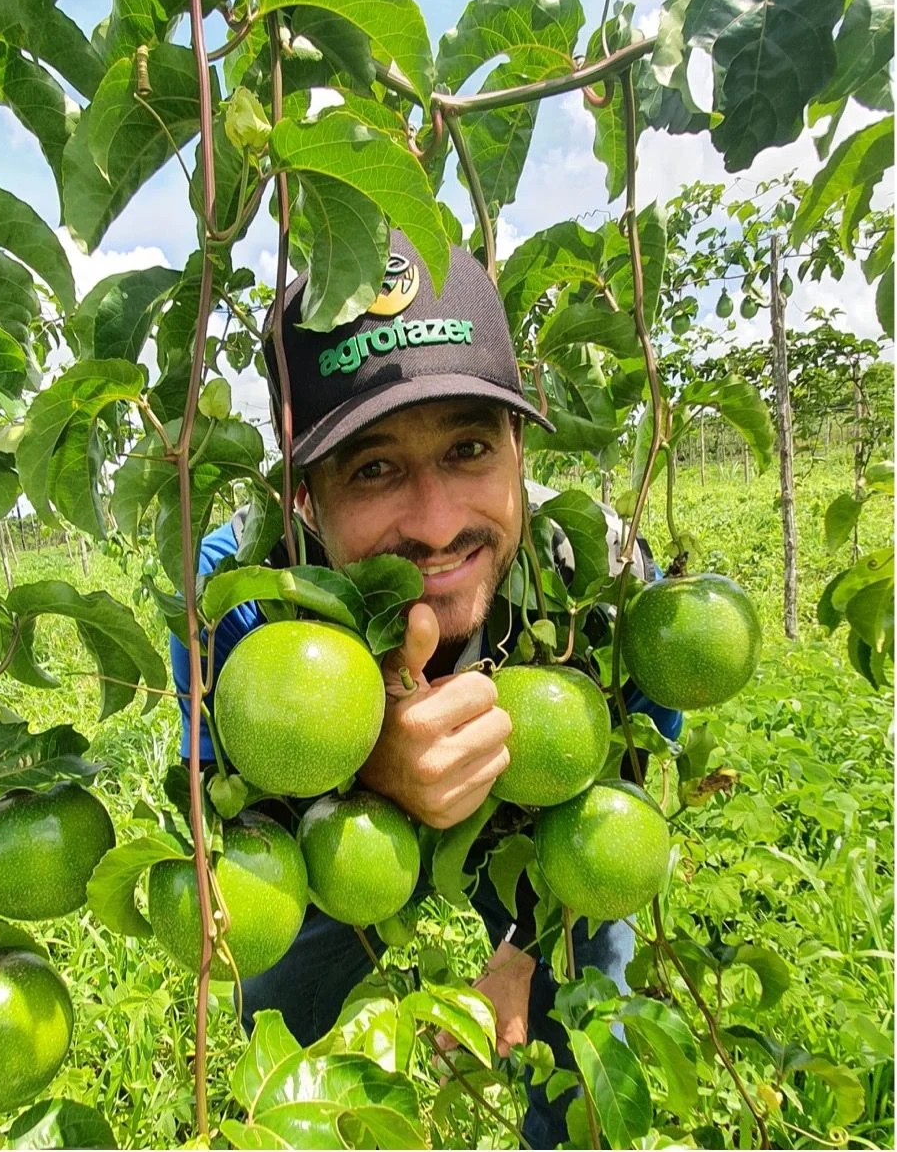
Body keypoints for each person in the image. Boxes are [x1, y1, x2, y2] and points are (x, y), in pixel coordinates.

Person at [171, 233, 681, 1148]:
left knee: (578, 1030)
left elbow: (628, 766)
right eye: (371, 468)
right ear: (301, 497)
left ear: (520, 448)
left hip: (550, 830)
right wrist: (363, 764)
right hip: (324, 844)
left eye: (468, 447)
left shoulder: (603, 579)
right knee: (295, 1035)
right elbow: (227, 817)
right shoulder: (237, 596)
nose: (438, 522)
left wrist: (522, 949)